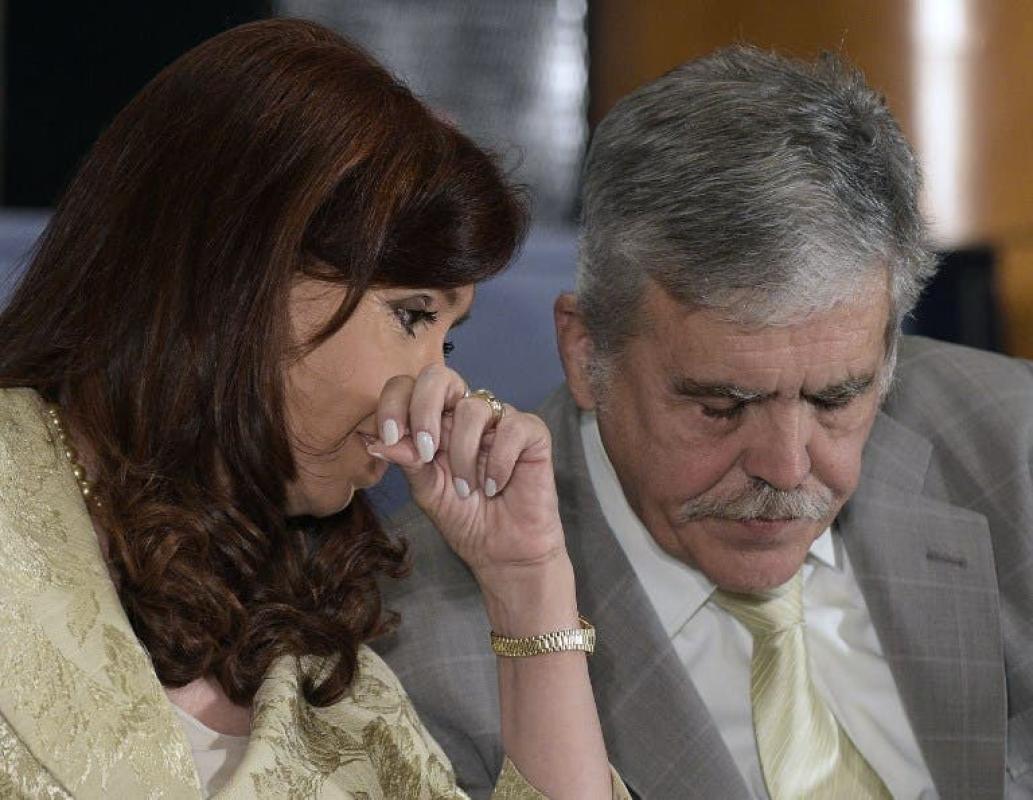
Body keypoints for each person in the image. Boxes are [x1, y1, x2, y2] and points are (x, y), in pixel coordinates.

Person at [375, 45, 1033, 799]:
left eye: (835, 399)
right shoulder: (418, 660)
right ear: (586, 352)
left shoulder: (1013, 449)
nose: (786, 468)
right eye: (721, 406)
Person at [0, 18, 629, 799]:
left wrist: (528, 585)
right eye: (410, 315)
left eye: (448, 341)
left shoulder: (335, 670)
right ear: (238, 277)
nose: (440, 387)